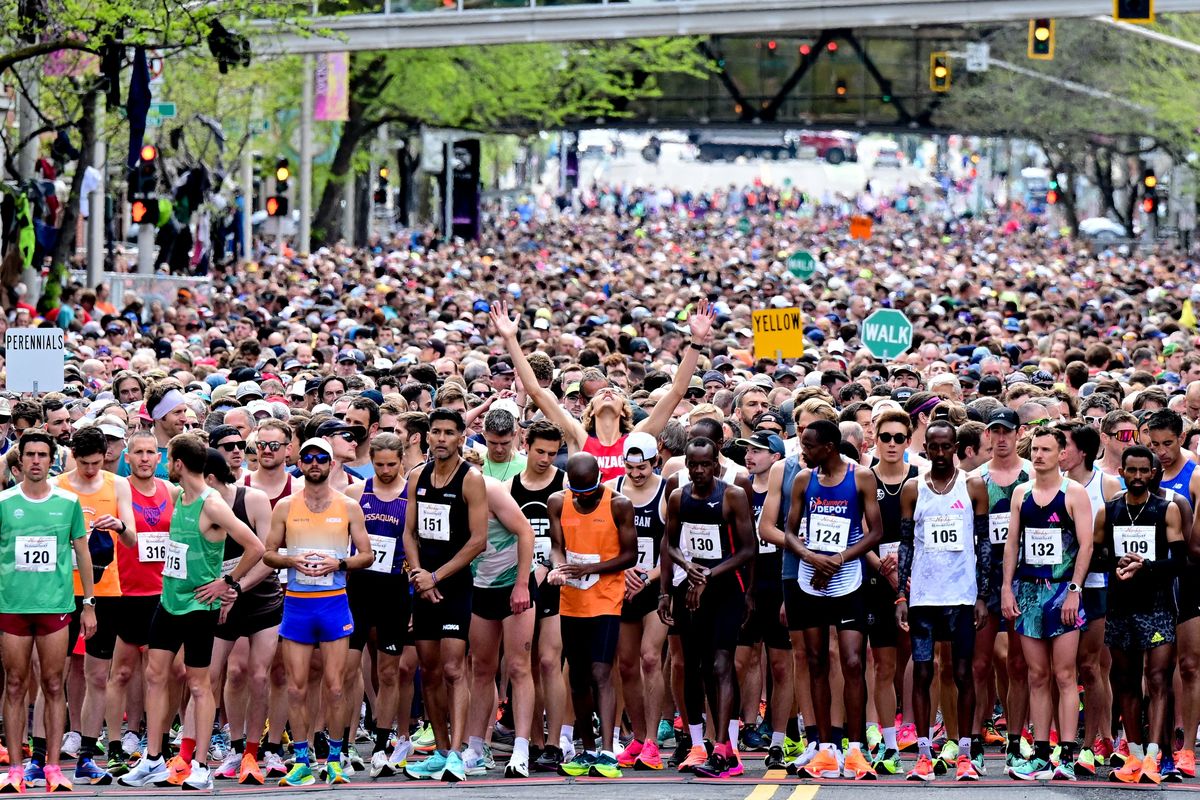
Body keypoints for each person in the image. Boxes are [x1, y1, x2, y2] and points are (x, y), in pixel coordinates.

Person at [118, 435, 264, 791]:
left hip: (200, 606)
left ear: (179, 463)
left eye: (168, 458)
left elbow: (256, 546)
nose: (165, 464)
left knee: (199, 684)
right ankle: (152, 758)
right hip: (169, 601)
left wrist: (227, 582)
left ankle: (200, 765)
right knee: (155, 675)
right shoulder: (177, 494)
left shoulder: (211, 505)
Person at [490, 299, 714, 482]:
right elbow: (536, 392)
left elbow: (676, 392)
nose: (607, 393)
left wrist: (696, 342)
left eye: (614, 392)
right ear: (590, 408)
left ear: (625, 409)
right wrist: (510, 339)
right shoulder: (578, 436)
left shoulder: (636, 436)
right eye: (599, 394)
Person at [263, 437, 372, 786]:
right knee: (295, 687)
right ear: (301, 462)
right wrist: (290, 559)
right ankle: (300, 759)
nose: (314, 463)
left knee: (336, 686)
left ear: (331, 464)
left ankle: (336, 759)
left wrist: (338, 562)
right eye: (308, 458)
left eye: (320, 458)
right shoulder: (286, 506)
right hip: (297, 602)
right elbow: (268, 553)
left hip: (333, 601)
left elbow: (366, 555)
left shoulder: (348, 506)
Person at [784, 419, 883, 780]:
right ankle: (826, 749)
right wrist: (811, 558)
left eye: (808, 445)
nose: (803, 451)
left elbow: (876, 532)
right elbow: (790, 532)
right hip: (810, 581)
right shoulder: (802, 480)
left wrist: (839, 558)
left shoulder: (860, 477)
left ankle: (855, 749)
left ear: (829, 446)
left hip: (847, 580)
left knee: (854, 662)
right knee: (815, 662)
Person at [895, 420, 991, 782]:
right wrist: (901, 594)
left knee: (963, 672)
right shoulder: (913, 489)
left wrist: (982, 594)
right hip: (923, 595)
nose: (938, 454)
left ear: (955, 447)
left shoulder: (973, 486)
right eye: (932, 447)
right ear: (926, 449)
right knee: (923, 671)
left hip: (962, 596)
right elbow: (906, 543)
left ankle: (965, 752)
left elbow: (984, 544)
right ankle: (923, 753)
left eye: (944, 447)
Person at [0, 431, 95, 794]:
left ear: (50, 459)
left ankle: (54, 766)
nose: (36, 460)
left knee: (54, 684)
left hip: (56, 605)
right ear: (20, 460)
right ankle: (16, 769)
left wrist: (89, 603)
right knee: (14, 684)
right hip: (12, 606)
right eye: (30, 454)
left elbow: (83, 553)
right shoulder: (5, 502)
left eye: (42, 454)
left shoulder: (67, 502)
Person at [659, 436, 755, 779]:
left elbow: (748, 550)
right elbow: (668, 545)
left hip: (726, 588)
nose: (699, 470)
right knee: (695, 666)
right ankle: (708, 745)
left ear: (716, 464)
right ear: (686, 465)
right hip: (689, 591)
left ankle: (725, 748)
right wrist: (669, 588)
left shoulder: (732, 495)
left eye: (705, 464)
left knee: (721, 664)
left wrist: (710, 575)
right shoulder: (677, 497)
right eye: (693, 465)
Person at [400, 409, 488, 782]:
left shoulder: (471, 480)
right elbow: (409, 533)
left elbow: (478, 541)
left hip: (453, 585)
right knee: (429, 670)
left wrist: (436, 576)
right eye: (435, 432)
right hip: (424, 584)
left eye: (448, 433)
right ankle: (438, 748)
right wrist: (420, 576)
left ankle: (458, 752)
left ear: (460, 437)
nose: (440, 439)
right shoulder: (418, 475)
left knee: (454, 668)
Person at [1001, 426, 1093, 781]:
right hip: (1029, 590)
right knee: (1036, 674)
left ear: (1061, 454)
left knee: (1065, 674)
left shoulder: (1075, 493)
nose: (1038, 456)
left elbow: (1085, 544)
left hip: (1061, 590)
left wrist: (1074, 588)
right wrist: (1007, 588)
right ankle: (1040, 753)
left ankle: (1066, 754)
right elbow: (1012, 544)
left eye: (1046, 450)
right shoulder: (1021, 494)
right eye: (1035, 450)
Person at [52, 426, 138, 786]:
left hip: (106, 590)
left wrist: (117, 525)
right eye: (84, 463)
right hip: (62, 591)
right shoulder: (59, 486)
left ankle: (88, 753)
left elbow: (133, 539)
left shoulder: (117, 485)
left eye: (97, 463)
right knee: (52, 676)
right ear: (73, 456)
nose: (91, 470)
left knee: (97, 675)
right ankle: (45, 754)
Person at [547, 452, 636, 779]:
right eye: (578, 493)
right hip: (572, 598)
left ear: (599, 481)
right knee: (577, 676)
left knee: (601, 672)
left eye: (590, 493)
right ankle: (587, 750)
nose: (584, 499)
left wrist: (590, 568)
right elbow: (558, 545)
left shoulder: (619, 504)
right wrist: (559, 566)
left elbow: (630, 555)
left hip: (605, 598)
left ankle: (608, 751)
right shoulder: (557, 501)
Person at [1104, 446, 1185, 785]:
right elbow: (1095, 556)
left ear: (1153, 473)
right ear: (1121, 471)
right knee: (1125, 680)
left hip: (1158, 607)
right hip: (1121, 608)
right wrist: (1118, 565)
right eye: (1131, 470)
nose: (1137, 477)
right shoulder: (1108, 512)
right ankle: (1135, 755)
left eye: (1143, 471)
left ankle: (1156, 755)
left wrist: (1146, 566)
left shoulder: (1166, 510)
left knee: (1157, 678)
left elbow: (1180, 561)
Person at [205, 427, 281, 786]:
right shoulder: (194, 505)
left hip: (259, 594)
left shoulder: (252, 499)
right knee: (228, 673)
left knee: (260, 674)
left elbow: (268, 555)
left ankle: (254, 750)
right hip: (222, 598)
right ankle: (235, 746)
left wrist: (236, 585)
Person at [343, 434, 416, 779]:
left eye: (392, 464)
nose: (386, 470)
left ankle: (382, 745)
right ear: (370, 459)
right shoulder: (357, 494)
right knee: (345, 670)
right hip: (358, 589)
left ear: (402, 459)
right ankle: (340, 746)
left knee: (389, 671)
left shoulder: (412, 494)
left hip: (395, 590)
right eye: (379, 464)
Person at [462, 474, 536, 778]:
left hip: (512, 584)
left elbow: (526, 531)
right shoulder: (444, 493)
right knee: (481, 668)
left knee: (519, 667)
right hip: (479, 587)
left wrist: (521, 585)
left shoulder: (489, 489)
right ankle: (476, 749)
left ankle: (521, 750)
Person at [969, 408, 1032, 769]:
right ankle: (974, 740)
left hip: (1025, 577)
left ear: (1019, 433)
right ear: (988, 435)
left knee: (1018, 664)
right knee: (979, 663)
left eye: (1007, 431)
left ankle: (1016, 738)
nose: (1001, 437)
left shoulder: (1031, 476)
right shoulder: (975, 479)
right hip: (984, 579)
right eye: (995, 431)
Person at [507, 420, 570, 772]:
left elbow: (571, 538)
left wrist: (549, 565)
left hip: (555, 582)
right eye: (539, 451)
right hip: (520, 580)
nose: (546, 459)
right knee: (525, 665)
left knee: (550, 661)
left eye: (552, 452)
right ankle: (531, 740)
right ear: (526, 445)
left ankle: (555, 741)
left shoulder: (563, 484)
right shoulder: (510, 487)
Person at [1060, 421, 1121, 775]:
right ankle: (1059, 741)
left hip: (1098, 584)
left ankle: (1097, 740)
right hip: (1055, 585)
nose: (1060, 451)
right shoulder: (1050, 484)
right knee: (1061, 669)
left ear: (1082, 451)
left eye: (1064, 445)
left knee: (1091, 666)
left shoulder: (1107, 484)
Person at [731, 430, 792, 769]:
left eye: (758, 451)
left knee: (782, 666)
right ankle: (733, 732)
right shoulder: (740, 489)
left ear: (776, 458)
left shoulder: (786, 492)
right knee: (739, 662)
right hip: (747, 585)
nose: (750, 456)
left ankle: (780, 741)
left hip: (778, 583)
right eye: (748, 450)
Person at [610, 431, 670, 772]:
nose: (636, 474)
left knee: (650, 657)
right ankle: (637, 735)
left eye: (642, 467)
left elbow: (675, 545)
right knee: (627, 665)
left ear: (654, 462)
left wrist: (647, 575)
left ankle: (651, 741)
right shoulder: (614, 491)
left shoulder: (665, 492)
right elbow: (607, 543)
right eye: (630, 467)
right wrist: (624, 574)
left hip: (654, 586)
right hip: (623, 586)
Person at [865, 409, 918, 774]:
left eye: (900, 438)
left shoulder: (920, 479)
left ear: (909, 441)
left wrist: (909, 567)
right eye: (886, 437)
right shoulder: (863, 479)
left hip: (917, 581)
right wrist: (878, 564)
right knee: (882, 663)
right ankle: (887, 743)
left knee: (920, 658)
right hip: (874, 578)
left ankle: (927, 737)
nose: (893, 444)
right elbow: (854, 530)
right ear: (875, 439)